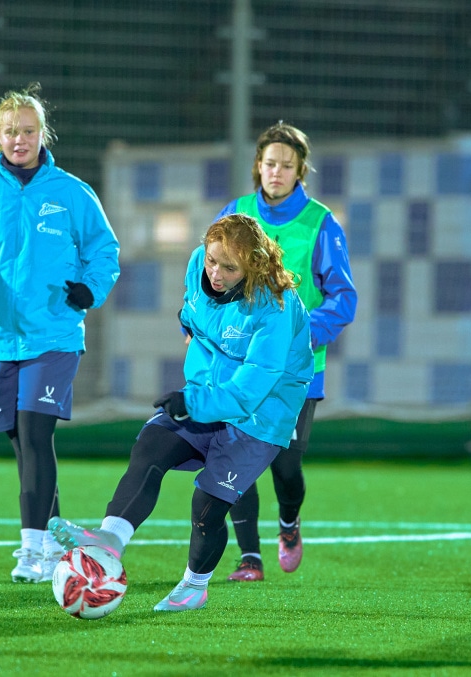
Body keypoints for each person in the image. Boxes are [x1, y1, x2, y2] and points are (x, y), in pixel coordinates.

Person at [48, 212, 313, 612]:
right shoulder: (198, 265)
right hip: (207, 394)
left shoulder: (276, 305)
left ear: (253, 265)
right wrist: (187, 324)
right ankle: (110, 539)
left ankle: (194, 586)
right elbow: (195, 311)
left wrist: (193, 404)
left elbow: (252, 388)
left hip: (260, 416)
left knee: (208, 504)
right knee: (153, 445)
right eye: (212, 260)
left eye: (229, 267)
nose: (216, 273)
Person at [0, 83, 120, 584]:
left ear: (43, 134)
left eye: (29, 131)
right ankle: (57, 539)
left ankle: (32, 553)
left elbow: (105, 251)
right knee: (21, 445)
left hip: (54, 335)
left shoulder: (73, 193)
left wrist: (90, 288)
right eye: (11, 131)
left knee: (37, 436)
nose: (20, 139)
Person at [215, 122, 357, 582]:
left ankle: (289, 521)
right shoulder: (236, 214)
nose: (277, 172)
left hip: (297, 371)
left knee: (286, 464)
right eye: (270, 163)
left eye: (287, 165)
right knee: (237, 458)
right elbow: (208, 275)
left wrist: (300, 333)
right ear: (258, 165)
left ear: (301, 172)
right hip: (239, 364)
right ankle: (250, 557)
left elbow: (343, 297)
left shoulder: (320, 222)